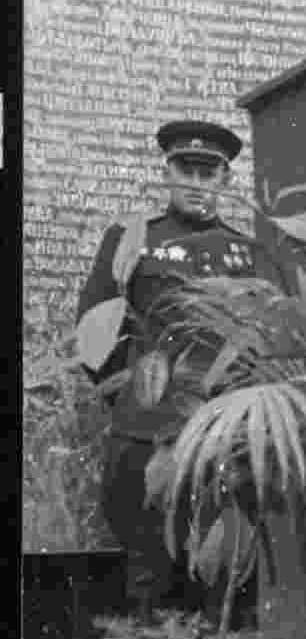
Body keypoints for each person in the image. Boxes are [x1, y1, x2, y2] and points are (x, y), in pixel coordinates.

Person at [76, 120, 283, 613]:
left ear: (225, 181)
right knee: (148, 571)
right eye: (185, 169)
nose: (196, 182)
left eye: (208, 173)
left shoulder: (248, 252)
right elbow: (93, 326)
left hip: (222, 434)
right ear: (167, 172)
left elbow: (266, 339)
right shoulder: (132, 239)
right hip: (148, 435)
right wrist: (128, 399)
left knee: (221, 570)